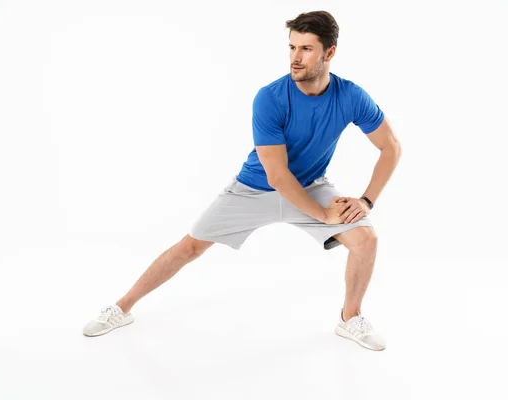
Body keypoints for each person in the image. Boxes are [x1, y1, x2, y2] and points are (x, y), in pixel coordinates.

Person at [83, 10, 401, 351]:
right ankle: (122, 307)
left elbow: (391, 148)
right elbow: (277, 175)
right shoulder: (271, 97)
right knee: (190, 246)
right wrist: (324, 215)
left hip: (311, 186)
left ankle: (350, 318)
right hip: (254, 188)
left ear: (329, 53)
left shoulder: (351, 96)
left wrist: (365, 201)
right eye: (292, 47)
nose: (296, 57)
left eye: (306, 49)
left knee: (366, 240)